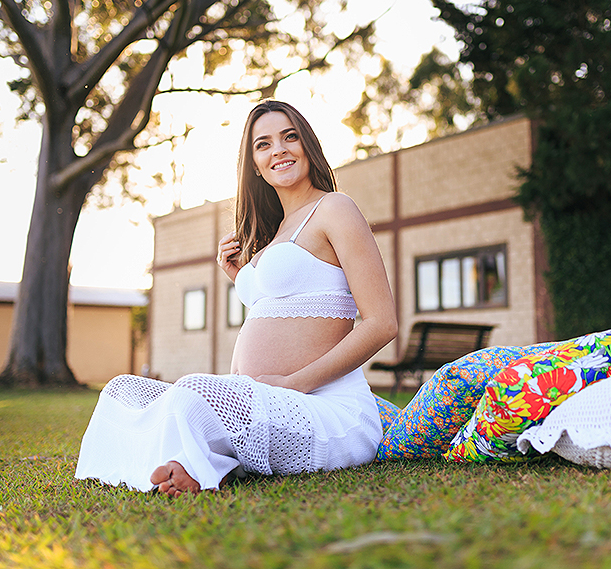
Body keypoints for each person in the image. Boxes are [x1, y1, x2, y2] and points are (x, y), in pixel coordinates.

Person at [74, 100, 398, 495]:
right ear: (255, 166)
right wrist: (243, 277)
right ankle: (199, 464)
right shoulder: (276, 234)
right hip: (264, 401)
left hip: (322, 409)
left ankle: (195, 466)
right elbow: (286, 311)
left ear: (308, 146)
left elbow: (382, 323)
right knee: (122, 392)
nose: (278, 149)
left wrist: (294, 384)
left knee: (192, 393)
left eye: (289, 137)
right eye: (263, 144)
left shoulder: (334, 208)